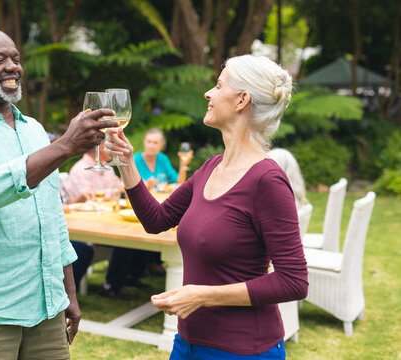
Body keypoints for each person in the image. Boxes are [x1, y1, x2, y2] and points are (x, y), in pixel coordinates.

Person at [0, 28, 117, 360]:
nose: (11, 66)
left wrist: (68, 293)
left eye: (15, 58)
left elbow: (52, 219)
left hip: (47, 311)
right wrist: (66, 146)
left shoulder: (34, 131)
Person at [104, 55, 308, 359]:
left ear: (241, 100)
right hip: (187, 343)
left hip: (242, 350)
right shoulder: (211, 167)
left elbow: (293, 281)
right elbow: (156, 219)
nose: (208, 93)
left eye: (218, 85)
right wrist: (126, 162)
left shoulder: (267, 180)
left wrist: (203, 295)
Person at [60, 144, 121, 290]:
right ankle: (111, 286)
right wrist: (110, 193)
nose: (113, 149)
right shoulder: (81, 169)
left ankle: (118, 283)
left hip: (103, 218)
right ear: (100, 148)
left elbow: (118, 188)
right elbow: (91, 198)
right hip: (84, 224)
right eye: (109, 146)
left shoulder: (108, 168)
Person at [135, 128, 194, 275]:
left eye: (155, 142)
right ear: (144, 143)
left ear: (161, 145)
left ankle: (153, 263)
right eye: (149, 141)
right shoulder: (136, 160)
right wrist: (143, 187)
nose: (151, 145)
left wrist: (183, 165)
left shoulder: (162, 159)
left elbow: (178, 183)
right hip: (140, 209)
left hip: (159, 206)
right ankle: (146, 267)